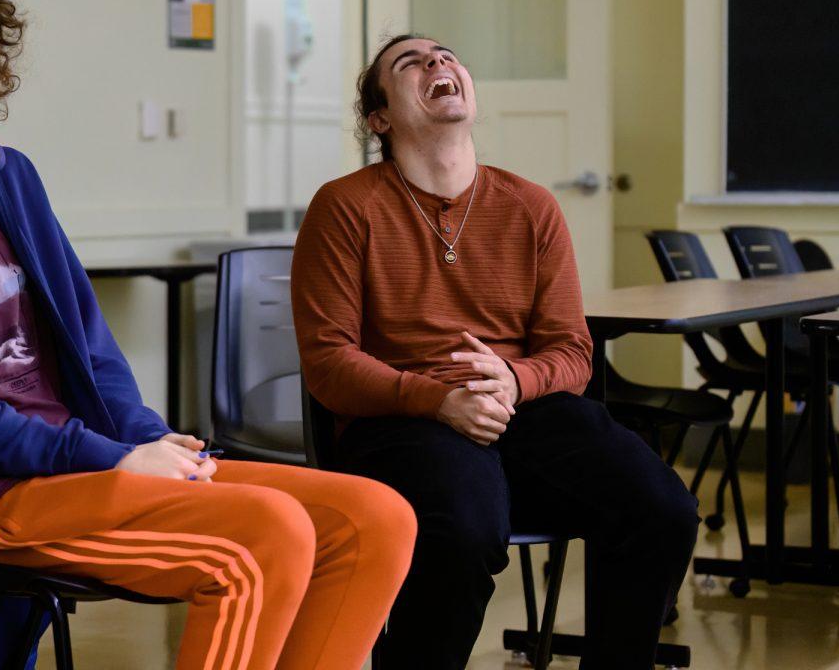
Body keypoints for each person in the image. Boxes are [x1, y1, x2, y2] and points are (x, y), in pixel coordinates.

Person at [0, 0, 415, 668]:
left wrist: (150, 440)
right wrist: (111, 456)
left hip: (77, 463)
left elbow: (90, 346)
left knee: (376, 518)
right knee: (266, 534)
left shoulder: (5, 178)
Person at [290, 35, 699, 670]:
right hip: (404, 418)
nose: (438, 63)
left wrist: (513, 379)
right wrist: (439, 399)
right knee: (463, 531)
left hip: (522, 408)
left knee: (662, 510)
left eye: (447, 55)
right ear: (381, 118)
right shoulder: (344, 207)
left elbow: (571, 350)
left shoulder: (531, 206)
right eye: (410, 63)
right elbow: (328, 361)